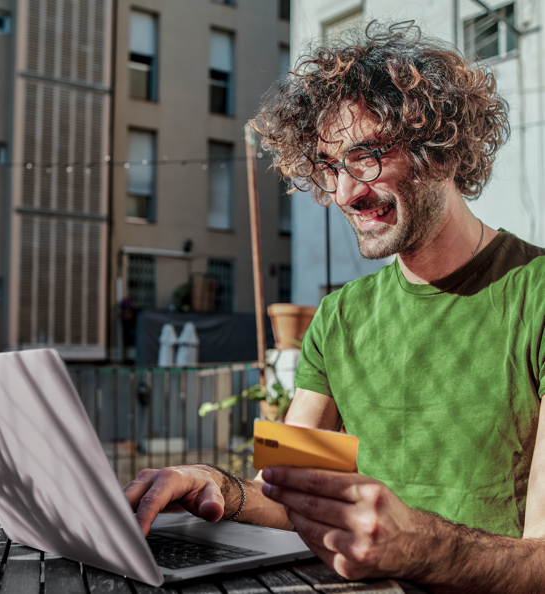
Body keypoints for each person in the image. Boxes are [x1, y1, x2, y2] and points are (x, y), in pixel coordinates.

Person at [125, 22, 545, 592]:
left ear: (441, 152)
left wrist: (417, 547)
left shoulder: (536, 295)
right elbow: (289, 490)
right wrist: (215, 486)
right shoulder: (338, 317)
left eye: (366, 157)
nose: (346, 193)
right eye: (331, 166)